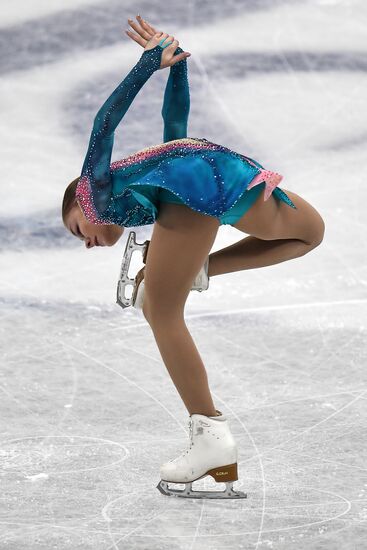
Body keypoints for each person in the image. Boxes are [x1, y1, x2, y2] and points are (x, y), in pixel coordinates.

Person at [62, 15, 325, 498]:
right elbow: (176, 126)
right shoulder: (153, 167)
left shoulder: (95, 190)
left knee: (159, 308)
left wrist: (147, 65)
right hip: (235, 175)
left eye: (77, 228)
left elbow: (105, 120)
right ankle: (201, 269)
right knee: (309, 234)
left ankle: (211, 441)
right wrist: (176, 69)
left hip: (193, 193)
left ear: (81, 202)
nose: (86, 238)